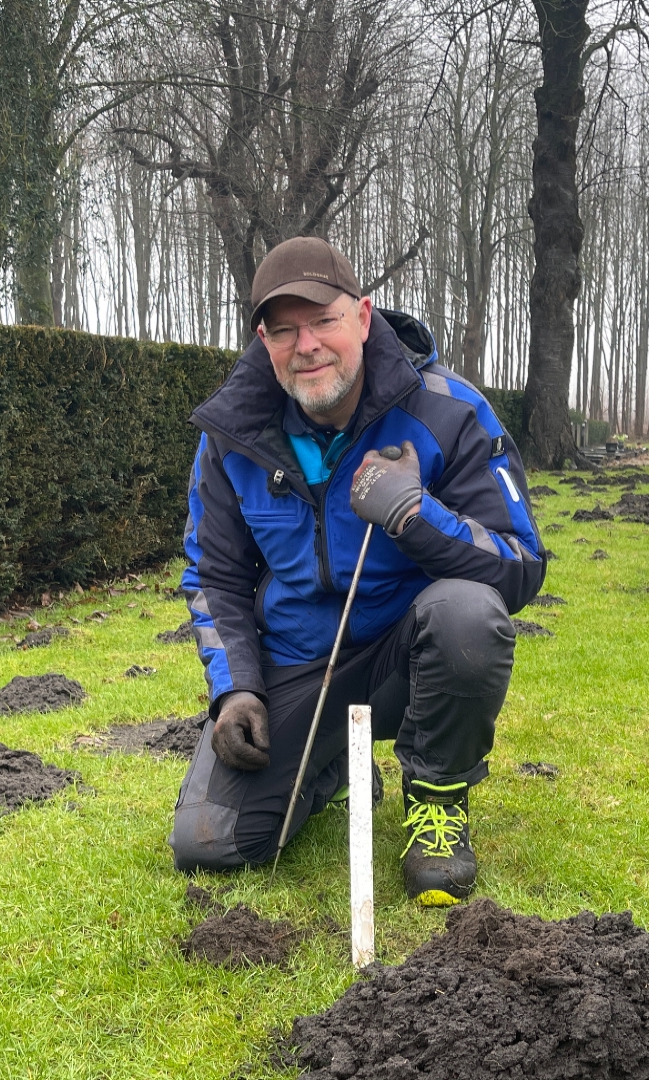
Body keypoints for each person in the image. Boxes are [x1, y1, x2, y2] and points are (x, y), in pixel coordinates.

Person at [168, 236, 545, 906]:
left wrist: (414, 516)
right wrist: (235, 690)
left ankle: (436, 801)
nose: (306, 344)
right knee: (209, 843)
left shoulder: (450, 411)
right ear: (263, 338)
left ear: (364, 318)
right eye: (283, 329)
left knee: (468, 616)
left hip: (412, 653)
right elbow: (213, 578)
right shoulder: (230, 434)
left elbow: (520, 565)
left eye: (323, 321)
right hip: (297, 664)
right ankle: (335, 763)